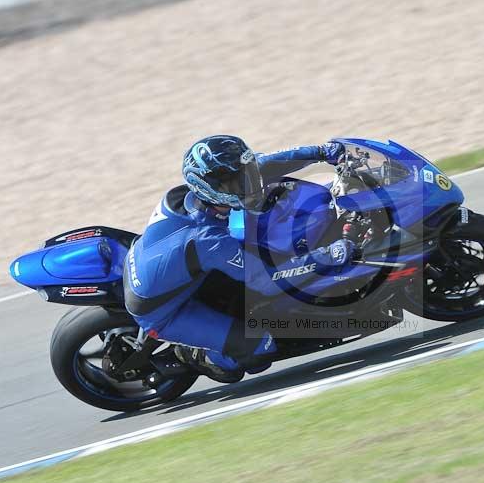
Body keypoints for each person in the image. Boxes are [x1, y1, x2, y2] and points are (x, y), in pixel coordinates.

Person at [123, 135, 356, 381]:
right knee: (259, 351)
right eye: (234, 183)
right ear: (208, 188)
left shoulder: (188, 196)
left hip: (166, 268)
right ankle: (191, 353)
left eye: (244, 173)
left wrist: (321, 151)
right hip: (162, 311)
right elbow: (266, 279)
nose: (247, 183)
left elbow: (264, 165)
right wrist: (327, 256)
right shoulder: (207, 239)